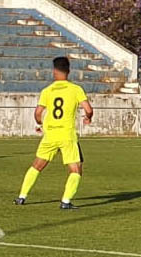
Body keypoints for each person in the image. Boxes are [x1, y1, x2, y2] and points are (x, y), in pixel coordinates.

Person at [14, 56, 94, 209]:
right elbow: (88, 109)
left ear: (54, 71)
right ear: (68, 71)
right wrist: (88, 117)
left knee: (37, 165)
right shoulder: (75, 89)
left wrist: (40, 124)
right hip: (67, 135)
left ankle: (21, 197)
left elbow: (38, 113)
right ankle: (66, 201)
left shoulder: (47, 90)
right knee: (76, 169)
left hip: (50, 134)